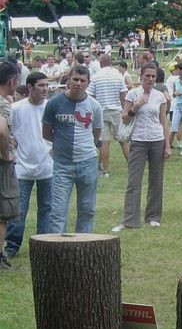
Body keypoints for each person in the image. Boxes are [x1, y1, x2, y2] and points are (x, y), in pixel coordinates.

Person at [42, 65, 103, 234]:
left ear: (88, 83)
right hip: (62, 164)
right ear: (68, 79)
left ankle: (82, 249)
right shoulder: (54, 103)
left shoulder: (95, 106)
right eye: (75, 79)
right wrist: (62, 144)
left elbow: (96, 132)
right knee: (58, 212)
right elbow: (46, 132)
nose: (78, 83)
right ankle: (57, 252)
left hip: (88, 162)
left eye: (83, 81)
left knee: (87, 209)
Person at [111, 62, 171, 232]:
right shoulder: (132, 94)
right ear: (141, 76)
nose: (150, 79)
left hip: (157, 140)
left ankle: (153, 216)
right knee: (134, 181)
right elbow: (124, 119)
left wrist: (167, 145)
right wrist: (136, 106)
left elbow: (164, 122)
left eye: (153, 76)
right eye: (147, 76)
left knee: (156, 180)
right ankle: (130, 219)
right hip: (138, 140)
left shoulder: (160, 96)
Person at [3, 72, 52, 259]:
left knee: (46, 208)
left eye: (47, 85)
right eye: (41, 85)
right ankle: (12, 245)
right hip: (22, 168)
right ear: (29, 87)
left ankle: (43, 243)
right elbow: (6, 132)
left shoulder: (50, 107)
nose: (45, 89)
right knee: (18, 210)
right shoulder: (16, 109)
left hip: (48, 167)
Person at [87, 54, 128, 177]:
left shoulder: (95, 77)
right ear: (111, 63)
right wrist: (124, 110)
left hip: (101, 112)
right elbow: (123, 96)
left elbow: (91, 97)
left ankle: (105, 171)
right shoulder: (119, 76)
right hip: (117, 111)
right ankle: (132, 166)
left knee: (104, 142)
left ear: (100, 64)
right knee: (123, 140)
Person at [0, 61, 21, 269]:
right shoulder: (3, 103)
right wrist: (6, 153)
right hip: (1, 166)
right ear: (12, 80)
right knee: (2, 213)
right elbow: (1, 128)